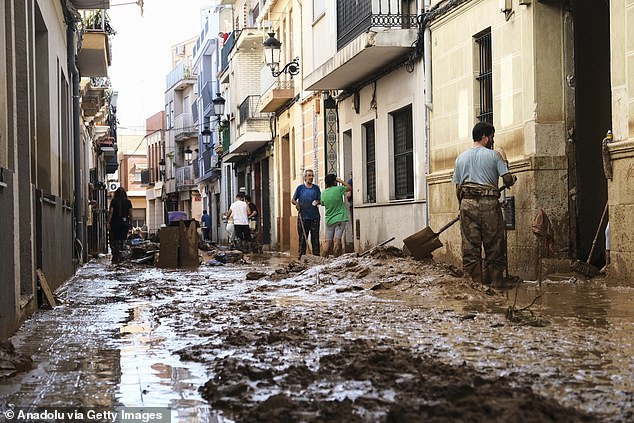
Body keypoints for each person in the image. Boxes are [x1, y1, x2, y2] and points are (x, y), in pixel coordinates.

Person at [453, 122, 516, 286]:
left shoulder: (460, 158)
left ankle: (475, 288)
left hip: (467, 203)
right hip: (489, 203)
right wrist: (507, 165)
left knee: (470, 248)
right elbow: (507, 180)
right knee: (494, 245)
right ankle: (497, 285)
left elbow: (458, 188)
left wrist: (464, 207)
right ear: (484, 137)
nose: (492, 140)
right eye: (491, 137)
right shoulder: (494, 156)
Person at [320, 174, 352, 257]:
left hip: (330, 220)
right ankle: (335, 258)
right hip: (340, 218)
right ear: (334, 181)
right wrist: (340, 180)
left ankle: (323, 260)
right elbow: (349, 187)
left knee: (328, 241)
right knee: (337, 240)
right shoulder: (338, 189)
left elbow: (322, 203)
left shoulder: (323, 193)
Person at [292, 169, 321, 256]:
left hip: (315, 217)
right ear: (305, 177)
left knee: (315, 239)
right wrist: (297, 204)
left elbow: (320, 200)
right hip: (303, 217)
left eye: (312, 175)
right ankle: (301, 257)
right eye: (309, 175)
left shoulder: (316, 188)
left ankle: (316, 258)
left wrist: (318, 201)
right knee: (302, 239)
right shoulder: (300, 188)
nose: (311, 177)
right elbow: (293, 199)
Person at [108, 187, 133, 264]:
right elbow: (131, 214)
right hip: (125, 222)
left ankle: (116, 255)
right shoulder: (128, 202)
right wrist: (131, 223)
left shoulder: (113, 201)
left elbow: (111, 212)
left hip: (115, 222)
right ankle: (122, 256)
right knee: (123, 239)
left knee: (115, 239)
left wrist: (108, 222)